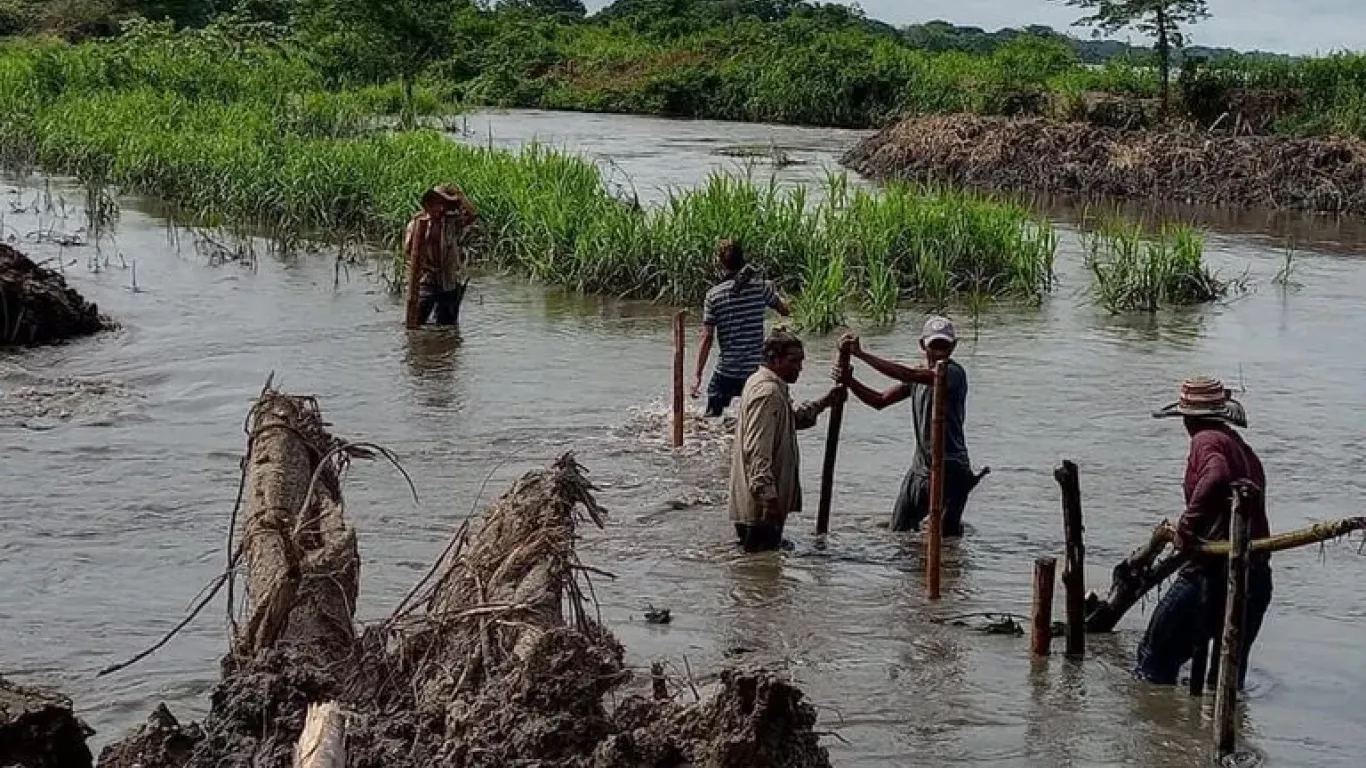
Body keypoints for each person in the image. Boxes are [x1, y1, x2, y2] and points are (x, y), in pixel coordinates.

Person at [1134, 375, 1272, 689]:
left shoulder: (1205, 439)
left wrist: (1187, 525)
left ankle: (1158, 732)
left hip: (1212, 574)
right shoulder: (1241, 446)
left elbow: (1216, 475)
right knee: (1226, 677)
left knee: (1152, 661)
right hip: (1256, 574)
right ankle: (1205, 735)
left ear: (1186, 418)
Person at [833, 315, 977, 536]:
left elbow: (907, 373)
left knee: (945, 542)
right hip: (921, 468)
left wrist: (862, 355)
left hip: (951, 470)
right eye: (934, 346)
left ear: (953, 347)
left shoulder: (953, 373)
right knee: (898, 533)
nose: (939, 353)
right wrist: (850, 381)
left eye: (944, 347)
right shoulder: (918, 378)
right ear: (923, 345)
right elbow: (879, 401)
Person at [729, 328, 843, 553]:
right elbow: (757, 451)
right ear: (774, 359)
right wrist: (769, 500)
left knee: (758, 569)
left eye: (801, 361)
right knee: (761, 574)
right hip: (760, 507)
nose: (799, 368)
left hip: (758, 503)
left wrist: (825, 402)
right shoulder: (767, 393)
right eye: (793, 361)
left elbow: (790, 421)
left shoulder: (766, 385)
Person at [692, 239, 791, 417]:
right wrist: (777, 292)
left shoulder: (713, 296)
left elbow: (706, 338)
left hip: (727, 371)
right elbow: (785, 311)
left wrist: (697, 375)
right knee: (755, 417)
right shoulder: (761, 287)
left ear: (720, 263)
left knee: (711, 419)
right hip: (755, 372)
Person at [403, 183, 478, 329]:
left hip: (448, 280)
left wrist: (460, 196)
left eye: (443, 204)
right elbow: (408, 251)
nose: (440, 208)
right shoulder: (417, 224)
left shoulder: (451, 222)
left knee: (448, 327)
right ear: (428, 205)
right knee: (415, 324)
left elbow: (472, 215)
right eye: (437, 204)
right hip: (426, 280)